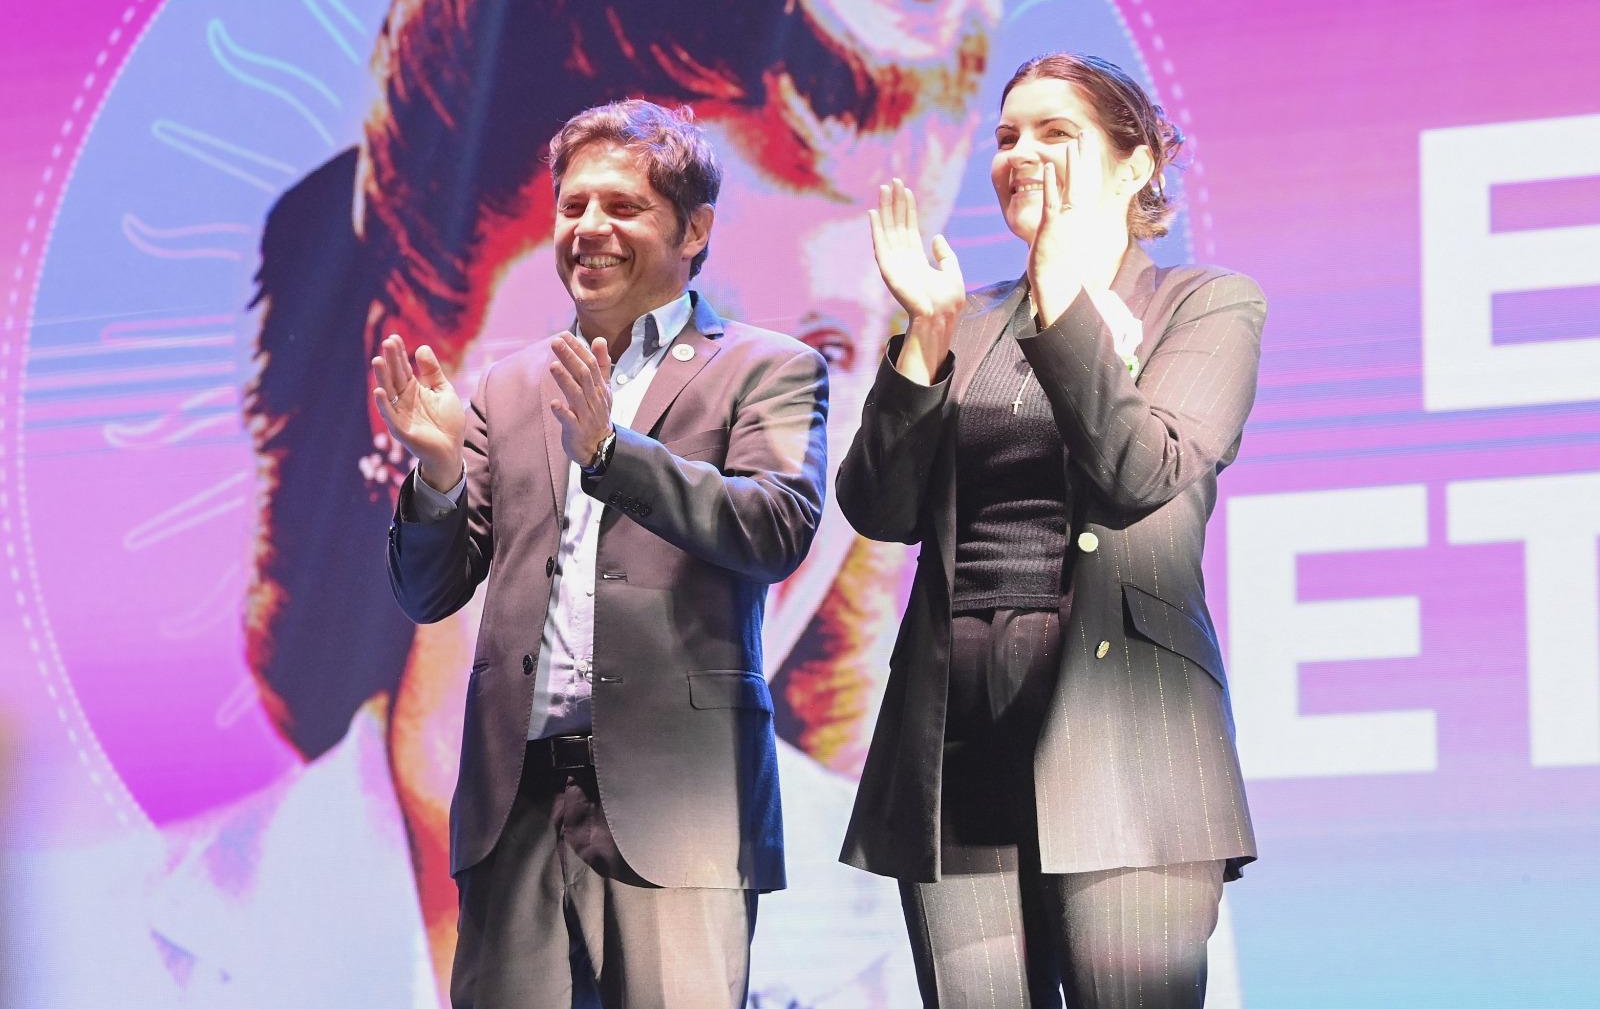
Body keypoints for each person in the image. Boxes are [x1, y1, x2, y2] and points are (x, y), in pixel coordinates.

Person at [375, 98, 828, 1008]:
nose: (589, 228)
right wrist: (433, 475)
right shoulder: (509, 385)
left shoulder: (765, 366)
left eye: (622, 207)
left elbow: (776, 524)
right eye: (572, 205)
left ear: (694, 229)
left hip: (681, 804)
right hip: (518, 805)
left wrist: (616, 456)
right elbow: (433, 590)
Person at [836, 52, 1264, 1008]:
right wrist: (927, 338)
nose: (1020, 153)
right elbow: (879, 507)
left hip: (1126, 735)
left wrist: (1066, 301)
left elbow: (1137, 469)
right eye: (1005, 136)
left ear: (1136, 163)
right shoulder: (966, 315)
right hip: (954, 732)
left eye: (1054, 133)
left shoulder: (1205, 303)